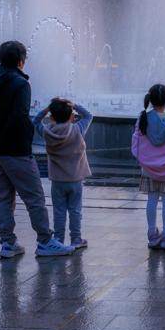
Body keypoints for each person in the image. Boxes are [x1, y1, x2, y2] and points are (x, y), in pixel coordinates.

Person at [0, 40, 73, 259]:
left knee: (5, 196)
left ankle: (8, 243)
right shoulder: (20, 84)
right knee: (34, 196)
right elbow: (18, 117)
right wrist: (0, 141)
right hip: (14, 150)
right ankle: (45, 241)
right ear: (21, 61)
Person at [130, 83, 165, 249]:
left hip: (149, 170)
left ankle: (152, 235)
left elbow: (137, 142)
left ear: (150, 99)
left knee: (152, 199)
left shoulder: (143, 118)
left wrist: (145, 159)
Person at [33, 97, 94, 249]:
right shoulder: (77, 129)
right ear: (71, 116)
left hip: (57, 180)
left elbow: (35, 122)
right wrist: (75, 105)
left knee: (59, 211)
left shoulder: (47, 132)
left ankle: (59, 239)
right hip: (76, 179)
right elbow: (88, 115)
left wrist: (47, 109)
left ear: (51, 116)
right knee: (75, 210)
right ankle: (76, 239)